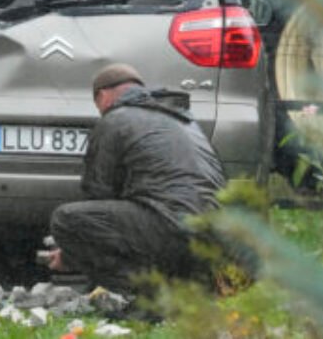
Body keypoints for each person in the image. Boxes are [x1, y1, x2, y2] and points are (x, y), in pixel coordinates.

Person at [47, 63, 225, 297]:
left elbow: (99, 192)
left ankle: (152, 297)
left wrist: (70, 253)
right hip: (217, 238)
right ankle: (187, 287)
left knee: (67, 220)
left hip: (174, 229)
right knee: (153, 218)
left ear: (102, 96)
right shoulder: (183, 120)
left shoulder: (115, 119)